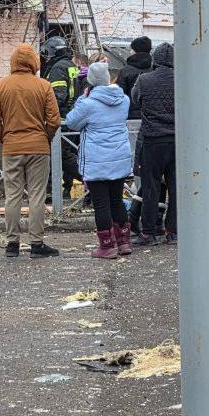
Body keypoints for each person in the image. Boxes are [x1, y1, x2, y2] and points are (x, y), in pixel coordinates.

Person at [0, 44, 62, 258]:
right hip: (39, 147)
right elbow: (54, 120)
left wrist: (5, 138)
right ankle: (37, 244)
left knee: (12, 196)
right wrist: (44, 137)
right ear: (34, 63)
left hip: (11, 147)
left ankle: (12, 244)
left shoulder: (1, 86)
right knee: (37, 196)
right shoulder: (44, 86)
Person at [65, 61, 132, 259]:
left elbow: (71, 122)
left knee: (101, 204)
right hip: (119, 158)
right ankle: (124, 242)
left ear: (90, 81)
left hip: (97, 161)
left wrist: (82, 98)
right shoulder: (124, 100)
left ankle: (107, 246)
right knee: (116, 200)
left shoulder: (87, 103)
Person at [130, 42, 177, 246]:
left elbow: (135, 100)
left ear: (155, 60)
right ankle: (173, 231)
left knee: (150, 188)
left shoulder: (144, 80)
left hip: (152, 140)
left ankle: (149, 232)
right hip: (178, 141)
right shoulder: (183, 80)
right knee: (177, 189)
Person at [40, 35, 81, 200]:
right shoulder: (72, 65)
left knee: (58, 154)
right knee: (69, 152)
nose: (47, 57)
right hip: (73, 117)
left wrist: (48, 115)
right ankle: (66, 191)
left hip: (62, 118)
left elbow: (58, 96)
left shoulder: (57, 68)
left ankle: (89, 178)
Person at [117, 36, 153, 120]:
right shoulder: (154, 69)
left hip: (129, 116)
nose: (130, 51)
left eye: (131, 49)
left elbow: (120, 95)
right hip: (151, 116)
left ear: (135, 50)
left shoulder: (125, 71)